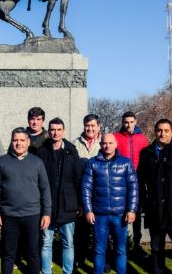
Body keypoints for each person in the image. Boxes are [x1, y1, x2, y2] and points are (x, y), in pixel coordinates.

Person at [0, 128, 52, 274]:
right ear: (11, 141)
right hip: (9, 215)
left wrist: (47, 213)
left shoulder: (37, 162)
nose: (18, 143)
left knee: (32, 253)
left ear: (28, 142)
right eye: (15, 140)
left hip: (32, 215)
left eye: (22, 140)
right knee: (8, 253)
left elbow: (45, 189)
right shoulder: (2, 162)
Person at [137, 119, 172, 274]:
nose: (162, 134)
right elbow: (140, 181)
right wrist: (144, 202)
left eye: (166, 130)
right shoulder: (146, 153)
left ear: (171, 132)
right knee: (156, 249)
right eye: (159, 130)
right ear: (155, 131)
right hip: (155, 211)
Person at [81, 133, 138, 274]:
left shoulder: (126, 163)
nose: (107, 146)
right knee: (99, 249)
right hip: (100, 215)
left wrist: (132, 210)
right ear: (100, 145)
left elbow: (133, 188)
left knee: (120, 250)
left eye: (110, 143)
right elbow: (86, 188)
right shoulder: (92, 163)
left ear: (116, 144)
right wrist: (88, 210)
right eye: (104, 143)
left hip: (120, 215)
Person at [36, 118, 82, 274]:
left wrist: (80, 203)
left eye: (58, 129)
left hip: (67, 204)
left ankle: (67, 272)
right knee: (46, 243)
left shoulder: (71, 150)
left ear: (63, 131)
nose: (55, 133)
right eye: (52, 130)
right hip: (47, 206)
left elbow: (78, 178)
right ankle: (46, 271)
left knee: (68, 243)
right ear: (49, 131)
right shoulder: (41, 152)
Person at [113, 111, 148, 257]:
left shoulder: (142, 138)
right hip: (121, 180)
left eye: (131, 122)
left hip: (138, 179)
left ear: (135, 121)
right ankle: (120, 244)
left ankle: (137, 244)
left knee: (137, 212)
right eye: (126, 122)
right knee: (120, 212)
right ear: (122, 122)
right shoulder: (116, 137)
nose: (128, 125)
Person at [71, 113, 101, 269]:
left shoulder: (104, 143)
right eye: (87, 126)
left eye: (93, 126)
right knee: (81, 231)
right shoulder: (75, 143)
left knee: (100, 233)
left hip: (101, 194)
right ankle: (79, 259)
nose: (90, 128)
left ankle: (101, 261)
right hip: (81, 193)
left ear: (98, 127)